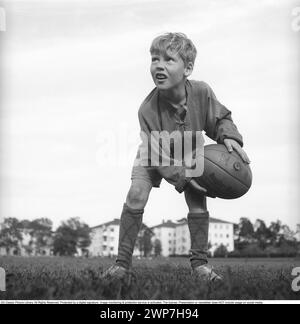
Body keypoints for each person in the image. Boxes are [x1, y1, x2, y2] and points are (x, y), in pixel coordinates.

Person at [102, 33, 250, 282]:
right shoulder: (147, 109)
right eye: (154, 59)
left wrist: (229, 137)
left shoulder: (202, 92)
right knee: (136, 194)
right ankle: (121, 265)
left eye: (169, 60)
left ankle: (200, 264)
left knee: (197, 201)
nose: (158, 65)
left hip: (191, 150)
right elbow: (158, 158)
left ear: (187, 68)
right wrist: (181, 176)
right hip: (153, 152)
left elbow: (220, 118)